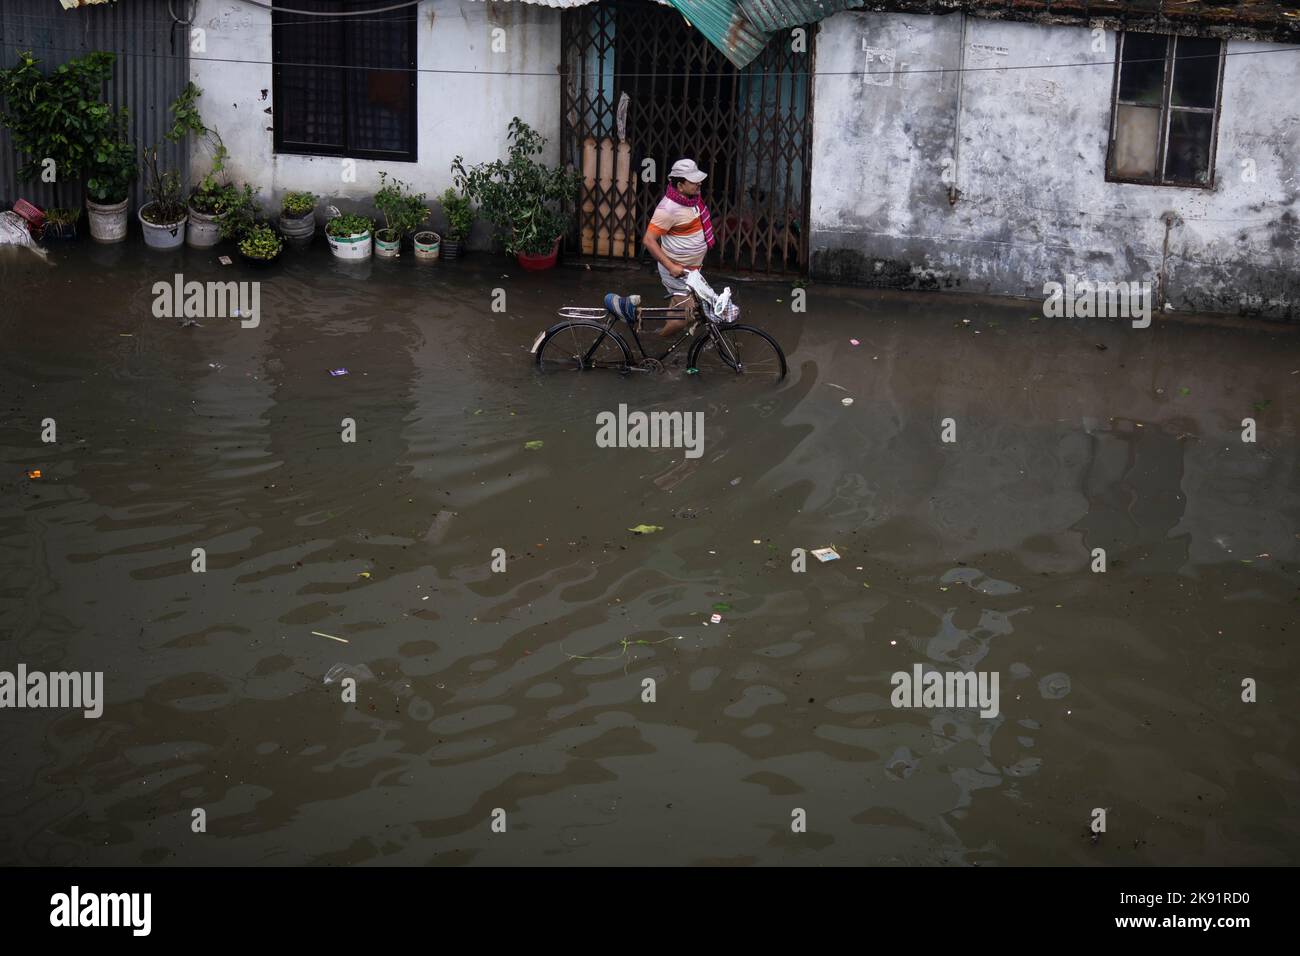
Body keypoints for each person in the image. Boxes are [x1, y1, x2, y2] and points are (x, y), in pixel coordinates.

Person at [641, 158, 715, 337]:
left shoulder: (692, 199)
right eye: (693, 181)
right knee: (690, 314)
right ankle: (658, 340)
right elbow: (649, 240)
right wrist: (671, 267)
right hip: (677, 270)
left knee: (679, 309)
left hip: (690, 270)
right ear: (680, 186)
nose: (699, 183)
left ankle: (659, 334)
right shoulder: (668, 209)